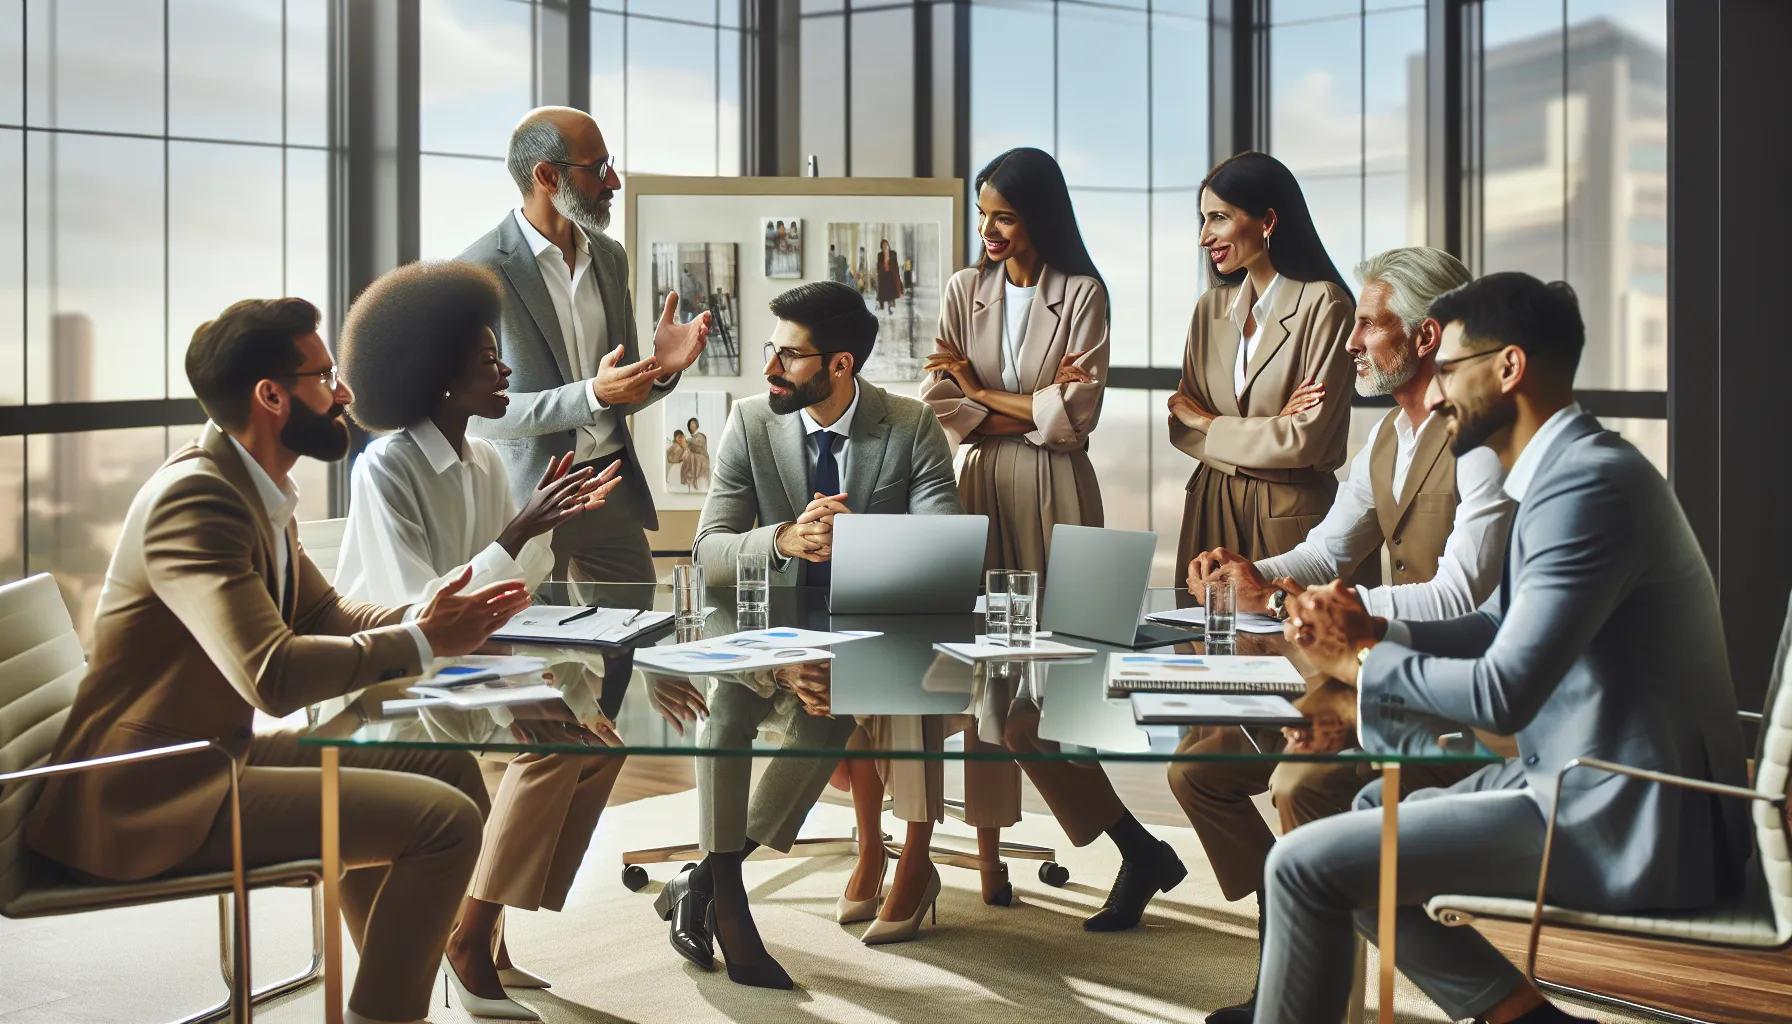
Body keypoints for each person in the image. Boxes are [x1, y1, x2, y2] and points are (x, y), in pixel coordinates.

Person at [24, 297, 533, 1024]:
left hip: (212, 759)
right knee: (445, 826)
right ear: (272, 395)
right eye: (326, 377)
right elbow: (272, 677)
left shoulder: (253, 489)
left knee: (444, 765)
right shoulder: (196, 502)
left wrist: (427, 617)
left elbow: (326, 615)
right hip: (148, 798)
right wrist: (425, 642)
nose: (346, 394)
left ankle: (387, 989)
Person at [1264, 272, 1750, 1024]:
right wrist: (1366, 630)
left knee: (1303, 864)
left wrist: (1357, 664)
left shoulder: (1587, 489)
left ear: (1508, 368)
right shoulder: (1568, 473)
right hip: (1583, 782)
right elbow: (1493, 625)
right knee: (1352, 818)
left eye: (1449, 370)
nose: (1434, 393)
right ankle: (1521, 1016)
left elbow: (1504, 693)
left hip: (1624, 818)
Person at [1172, 246, 1512, 1024]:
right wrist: (1251, 571)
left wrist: (1343, 608)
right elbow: (1326, 547)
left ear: (1426, 337)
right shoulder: (1388, 435)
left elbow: (1464, 592)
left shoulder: (1481, 444)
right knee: (1199, 772)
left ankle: (1319, 1006)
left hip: (1443, 695)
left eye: (1368, 324)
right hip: (1358, 672)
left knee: (1302, 785)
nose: (1352, 343)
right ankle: (1289, 955)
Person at [331, 262, 628, 1017]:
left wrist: (542, 527)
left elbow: (509, 591)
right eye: (486, 360)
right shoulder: (385, 469)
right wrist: (516, 529)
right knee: (552, 746)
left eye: (501, 357)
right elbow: (414, 610)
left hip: (471, 658)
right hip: (396, 674)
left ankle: (479, 924)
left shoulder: (486, 459)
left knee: (599, 742)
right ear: (436, 374)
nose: (503, 371)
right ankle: (469, 942)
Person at [673, 280, 963, 982]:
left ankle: (704, 880)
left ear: (839, 366)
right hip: (763, 632)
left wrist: (853, 534)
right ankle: (729, 898)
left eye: (789, 356)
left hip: (856, 636)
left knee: (828, 714)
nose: (769, 367)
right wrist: (784, 538)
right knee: (727, 712)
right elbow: (708, 553)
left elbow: (946, 549)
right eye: (770, 350)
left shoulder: (909, 424)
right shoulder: (750, 422)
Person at [459, 105, 710, 586]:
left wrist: (661, 370)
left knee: (636, 640)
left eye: (609, 163)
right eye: (598, 168)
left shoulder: (610, 257)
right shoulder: (477, 272)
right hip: (533, 499)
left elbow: (624, 390)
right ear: (548, 176)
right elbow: (477, 415)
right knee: (541, 655)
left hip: (611, 488)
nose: (614, 181)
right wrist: (593, 394)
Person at [1167, 150, 1357, 588]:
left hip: (1289, 520)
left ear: (1267, 221)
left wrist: (1208, 421)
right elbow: (1180, 427)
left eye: (1218, 218)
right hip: (1209, 511)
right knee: (1203, 645)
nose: (1204, 238)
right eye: (1203, 220)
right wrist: (1271, 430)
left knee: (1289, 643)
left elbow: (1307, 442)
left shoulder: (1324, 305)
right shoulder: (1209, 309)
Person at [924, 146, 1109, 577]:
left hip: (1056, 479)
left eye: (1004, 217)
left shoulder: (1084, 294)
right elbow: (940, 406)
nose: (987, 229)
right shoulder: (962, 289)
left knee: (1060, 619)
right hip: (976, 477)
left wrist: (979, 393)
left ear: (1040, 218)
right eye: (982, 213)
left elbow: (1077, 416)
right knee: (976, 620)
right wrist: (1042, 406)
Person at [682, 415, 710, 491]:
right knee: (688, 455)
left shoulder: (701, 435)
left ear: (697, 425)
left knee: (692, 456)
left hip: (702, 457)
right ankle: (691, 478)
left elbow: (700, 447)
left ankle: (694, 478)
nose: (692, 425)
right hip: (694, 456)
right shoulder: (691, 437)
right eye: (691, 424)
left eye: (693, 423)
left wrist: (690, 442)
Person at [875, 238, 904, 311]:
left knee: (891, 290)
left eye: (886, 245)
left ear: (888, 245)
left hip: (891, 274)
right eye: (883, 245)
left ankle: (891, 303)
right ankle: (882, 305)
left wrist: (889, 261)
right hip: (883, 275)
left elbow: (895, 264)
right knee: (884, 290)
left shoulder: (893, 253)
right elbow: (879, 266)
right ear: (881, 247)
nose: (885, 246)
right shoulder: (880, 255)